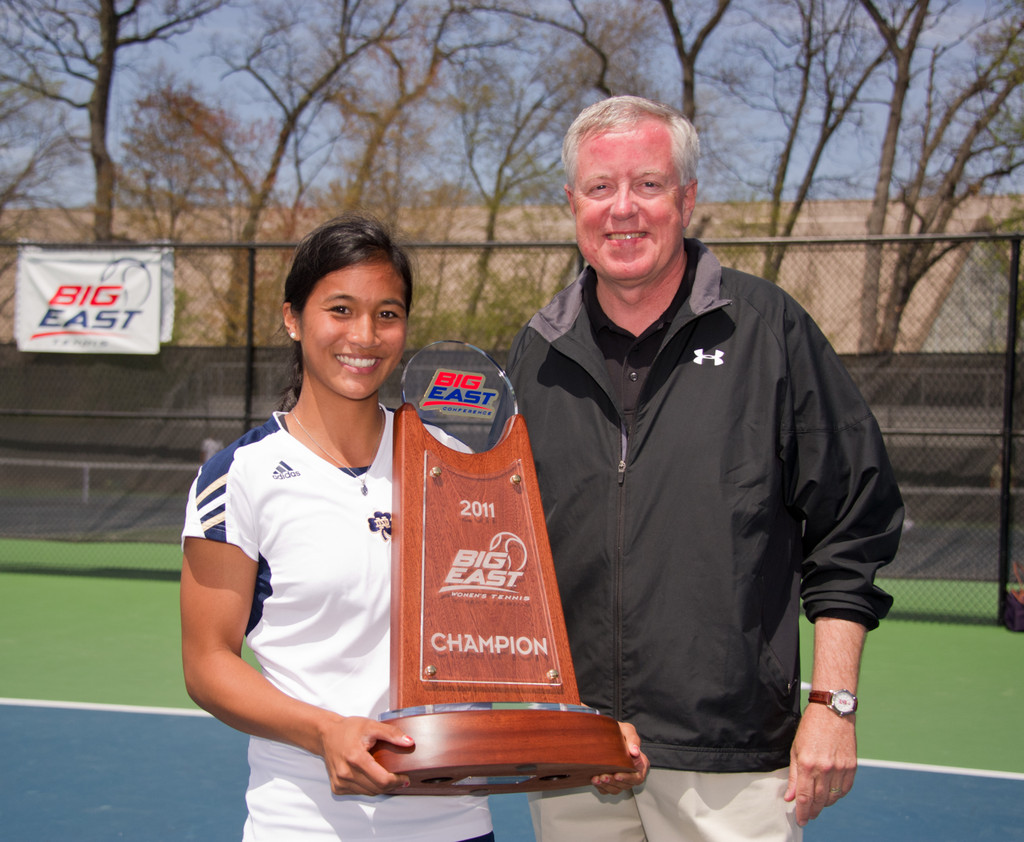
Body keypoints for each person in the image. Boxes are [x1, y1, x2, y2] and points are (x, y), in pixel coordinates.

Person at [507, 96, 904, 841]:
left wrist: (833, 705)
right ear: (571, 205)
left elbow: (853, 522)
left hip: (732, 760)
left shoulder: (770, 331)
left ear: (687, 199)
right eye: (600, 188)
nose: (623, 210)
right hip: (576, 752)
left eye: (649, 185)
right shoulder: (535, 353)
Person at [179, 214, 496, 841]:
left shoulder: (455, 463)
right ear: (294, 318)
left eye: (387, 313)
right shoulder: (239, 475)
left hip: (453, 821)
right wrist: (326, 732)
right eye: (341, 309)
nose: (365, 335)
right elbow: (208, 663)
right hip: (304, 822)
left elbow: (503, 628)